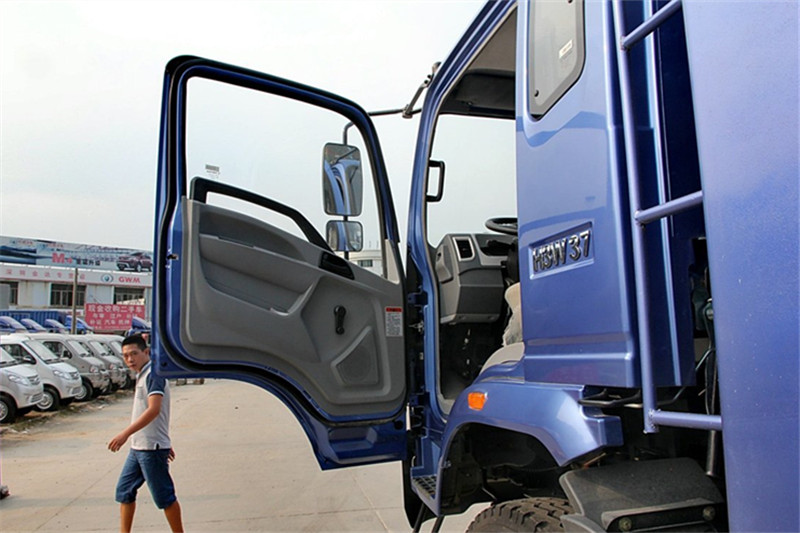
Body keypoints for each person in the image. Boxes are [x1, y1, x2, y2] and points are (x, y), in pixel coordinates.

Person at [108, 334, 183, 533]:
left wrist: (124, 434)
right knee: (124, 491)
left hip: (151, 448)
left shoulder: (153, 375)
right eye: (126, 356)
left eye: (134, 354)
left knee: (164, 497)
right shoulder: (142, 374)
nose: (130, 359)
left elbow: (154, 409)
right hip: (139, 446)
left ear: (146, 352)